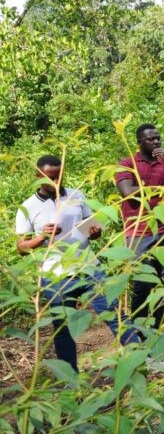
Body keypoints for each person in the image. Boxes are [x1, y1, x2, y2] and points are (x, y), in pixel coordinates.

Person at [16, 156, 136, 371]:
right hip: (55, 275)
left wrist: (95, 231)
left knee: (114, 313)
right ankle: (70, 378)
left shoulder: (76, 194)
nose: (55, 182)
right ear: (37, 177)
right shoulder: (28, 207)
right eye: (50, 178)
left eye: (59, 176)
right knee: (62, 328)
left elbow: (90, 229)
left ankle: (142, 360)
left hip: (89, 266)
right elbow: (21, 247)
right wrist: (42, 237)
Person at [115, 123, 164, 337]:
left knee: (161, 282)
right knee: (142, 284)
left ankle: (157, 330)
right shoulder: (127, 163)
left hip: (162, 230)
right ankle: (139, 332)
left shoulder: (162, 162)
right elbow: (128, 192)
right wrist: (157, 189)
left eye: (158, 138)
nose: (156, 142)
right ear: (139, 142)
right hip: (138, 232)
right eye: (151, 139)